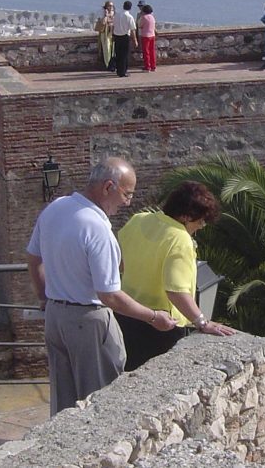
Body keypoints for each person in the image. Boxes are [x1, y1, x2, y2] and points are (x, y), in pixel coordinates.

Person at [26, 157, 176, 415]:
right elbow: (110, 296)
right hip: (88, 321)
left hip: (55, 317)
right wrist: (153, 317)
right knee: (100, 402)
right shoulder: (97, 228)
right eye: (127, 194)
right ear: (109, 187)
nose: (128, 202)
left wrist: (44, 296)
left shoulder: (56, 207)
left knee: (64, 402)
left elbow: (33, 256)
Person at [115, 180, 235, 371]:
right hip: (159, 326)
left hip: (124, 314)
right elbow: (176, 291)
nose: (202, 226)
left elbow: (120, 263)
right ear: (186, 216)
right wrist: (203, 322)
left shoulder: (138, 219)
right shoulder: (180, 239)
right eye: (201, 220)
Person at [113, 0, 138, 77]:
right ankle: (123, 71)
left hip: (117, 36)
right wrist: (135, 40)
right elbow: (132, 29)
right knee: (124, 55)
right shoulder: (129, 17)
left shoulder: (116, 15)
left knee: (118, 54)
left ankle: (118, 70)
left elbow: (113, 26)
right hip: (125, 36)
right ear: (130, 8)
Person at [96, 0, 116, 71]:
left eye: (112, 5)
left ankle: (113, 64)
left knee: (113, 49)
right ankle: (108, 64)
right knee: (106, 48)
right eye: (109, 5)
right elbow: (103, 22)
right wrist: (106, 16)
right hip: (105, 33)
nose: (111, 7)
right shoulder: (103, 13)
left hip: (112, 32)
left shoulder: (114, 13)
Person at [138, 4, 157, 72]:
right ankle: (153, 66)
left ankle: (147, 67)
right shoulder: (152, 17)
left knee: (146, 52)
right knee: (152, 51)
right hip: (152, 35)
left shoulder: (144, 17)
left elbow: (139, 25)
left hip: (145, 36)